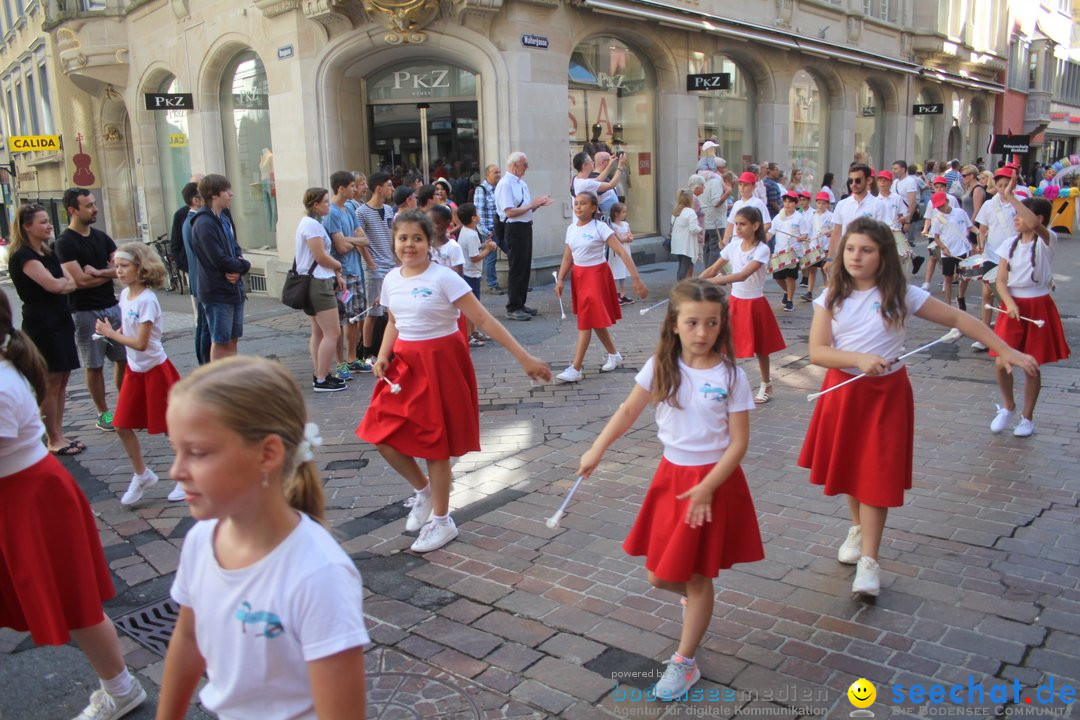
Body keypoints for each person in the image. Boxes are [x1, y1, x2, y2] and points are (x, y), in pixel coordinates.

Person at [799, 217, 1037, 596]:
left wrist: (1005, 349)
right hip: (844, 391)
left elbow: (959, 318)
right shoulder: (831, 296)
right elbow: (817, 351)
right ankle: (857, 528)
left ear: (883, 255)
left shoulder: (901, 294)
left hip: (887, 396)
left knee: (876, 473)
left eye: (866, 250)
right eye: (850, 249)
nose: (856, 257)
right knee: (850, 467)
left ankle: (870, 563)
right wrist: (859, 359)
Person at [576, 279, 763, 700]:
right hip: (671, 479)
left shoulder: (731, 376)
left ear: (721, 326)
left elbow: (739, 444)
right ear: (674, 325)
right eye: (692, 322)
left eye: (711, 323)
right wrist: (596, 448)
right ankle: (697, 602)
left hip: (713, 483)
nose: (702, 332)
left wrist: (708, 488)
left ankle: (685, 662)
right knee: (659, 575)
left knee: (696, 577)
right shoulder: (662, 364)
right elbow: (628, 411)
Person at [156, 357, 368, 718]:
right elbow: (189, 639)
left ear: (267, 453)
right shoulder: (201, 541)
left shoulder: (318, 576)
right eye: (176, 450)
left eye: (197, 453)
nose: (176, 471)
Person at [356, 210, 551, 553]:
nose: (409, 245)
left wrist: (524, 356)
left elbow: (484, 320)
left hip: (440, 365)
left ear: (429, 241)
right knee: (380, 434)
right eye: (403, 238)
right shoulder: (391, 280)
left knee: (436, 447)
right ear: (394, 242)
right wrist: (384, 353)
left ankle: (443, 522)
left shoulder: (444, 278)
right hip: (404, 367)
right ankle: (424, 490)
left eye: (417, 238)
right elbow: (393, 321)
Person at [0, 291, 147, 720]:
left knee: (77, 600)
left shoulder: (3, 383)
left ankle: (121, 688)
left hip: (31, 500)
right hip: (23, 496)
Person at [92, 243, 185, 506]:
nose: (118, 271)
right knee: (121, 423)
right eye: (117, 266)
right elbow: (130, 333)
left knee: (170, 427)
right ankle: (141, 474)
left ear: (140, 268)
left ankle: (185, 476)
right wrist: (111, 331)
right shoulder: (125, 296)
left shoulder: (147, 300)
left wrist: (111, 334)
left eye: (124, 266)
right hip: (136, 369)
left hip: (156, 369)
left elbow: (142, 343)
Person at [989, 186, 1071, 437]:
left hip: (1039, 306)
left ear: (1038, 220)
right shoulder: (1007, 244)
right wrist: (1010, 303)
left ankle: (1027, 417)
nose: (1015, 218)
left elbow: (1034, 224)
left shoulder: (1047, 241)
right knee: (1001, 362)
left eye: (1019, 214)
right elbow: (1000, 281)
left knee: (1031, 365)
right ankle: (1008, 406)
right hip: (1012, 306)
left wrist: (1011, 196)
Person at [7, 204, 82, 455]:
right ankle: (52, 438)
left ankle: (58, 433)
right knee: (50, 381)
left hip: (60, 319)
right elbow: (53, 285)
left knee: (62, 380)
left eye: (48, 221)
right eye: (43, 222)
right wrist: (64, 283)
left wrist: (64, 284)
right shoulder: (23, 256)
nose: (49, 225)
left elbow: (71, 282)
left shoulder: (47, 253)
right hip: (42, 323)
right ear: (27, 226)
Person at [554, 192, 648, 382]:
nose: (578, 207)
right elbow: (567, 257)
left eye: (583, 203)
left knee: (586, 320)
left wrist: (636, 279)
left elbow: (621, 252)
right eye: (576, 203)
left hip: (596, 276)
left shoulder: (600, 227)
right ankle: (614, 354)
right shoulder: (571, 229)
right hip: (579, 276)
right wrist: (561, 279)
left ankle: (576, 368)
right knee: (593, 320)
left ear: (594, 208)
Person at [55, 188, 126, 432]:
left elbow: (121, 269)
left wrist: (98, 272)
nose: (94, 209)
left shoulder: (102, 237)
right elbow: (80, 282)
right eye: (88, 205)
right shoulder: (64, 243)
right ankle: (103, 413)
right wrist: (107, 273)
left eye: (94, 204)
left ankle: (125, 406)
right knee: (93, 365)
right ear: (72, 210)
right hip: (85, 311)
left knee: (122, 359)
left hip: (112, 307)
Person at [701, 206, 786, 404]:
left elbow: (742, 275)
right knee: (726, 345)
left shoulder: (762, 249)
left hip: (755, 303)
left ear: (755, 225)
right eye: (736, 224)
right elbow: (713, 268)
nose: (737, 228)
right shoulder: (733, 245)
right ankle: (727, 384)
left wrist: (713, 282)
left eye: (742, 224)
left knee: (760, 347)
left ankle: (766, 384)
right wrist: (695, 282)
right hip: (735, 302)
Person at [190, 174, 250, 361]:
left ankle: (231, 379)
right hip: (217, 291)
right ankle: (219, 381)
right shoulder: (204, 223)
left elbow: (235, 248)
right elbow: (218, 259)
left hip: (232, 289)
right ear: (214, 195)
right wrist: (244, 266)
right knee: (220, 340)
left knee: (232, 338)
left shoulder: (223, 218)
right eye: (226, 191)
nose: (231, 194)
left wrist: (239, 269)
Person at [296, 187, 348, 392]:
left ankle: (321, 373)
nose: (328, 204)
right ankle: (321, 378)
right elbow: (320, 256)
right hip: (318, 283)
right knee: (332, 332)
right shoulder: (312, 225)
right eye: (325, 201)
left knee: (318, 331)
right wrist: (338, 266)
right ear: (315, 204)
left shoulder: (311, 223)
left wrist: (335, 272)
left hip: (316, 280)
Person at [495, 151, 553, 321]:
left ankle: (520, 303)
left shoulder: (522, 184)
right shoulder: (505, 184)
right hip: (513, 228)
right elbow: (510, 212)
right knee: (517, 266)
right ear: (514, 165)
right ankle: (513, 306)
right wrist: (532, 205)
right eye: (524, 164)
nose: (527, 167)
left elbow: (526, 208)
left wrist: (537, 205)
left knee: (525, 266)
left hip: (525, 226)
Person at [325, 171, 372, 379]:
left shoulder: (350, 209)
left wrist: (350, 239)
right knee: (340, 320)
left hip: (356, 271)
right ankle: (340, 362)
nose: (356, 189)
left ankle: (353, 359)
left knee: (355, 318)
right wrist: (352, 241)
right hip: (342, 274)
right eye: (352, 186)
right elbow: (341, 247)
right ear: (341, 188)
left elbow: (365, 239)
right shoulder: (332, 212)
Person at [972, 167, 1020, 346]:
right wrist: (980, 243)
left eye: (1006, 185)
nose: (1002, 188)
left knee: (1005, 293)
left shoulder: (1020, 202)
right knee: (987, 292)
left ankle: (1005, 331)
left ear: (1013, 185)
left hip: (1014, 255)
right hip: (992, 253)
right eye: (999, 185)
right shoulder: (989, 204)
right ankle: (985, 335)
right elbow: (982, 229)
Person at [355, 172, 398, 364]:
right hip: (374, 268)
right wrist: (371, 263)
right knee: (373, 312)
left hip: (390, 265)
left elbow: (391, 236)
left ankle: (389, 350)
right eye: (389, 185)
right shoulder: (361, 212)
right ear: (379, 188)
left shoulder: (389, 210)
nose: (392, 189)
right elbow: (360, 241)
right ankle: (367, 352)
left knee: (392, 310)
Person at [456, 202, 498, 346]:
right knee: (471, 307)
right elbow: (475, 257)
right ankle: (469, 334)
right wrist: (488, 250)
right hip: (471, 274)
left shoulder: (466, 231)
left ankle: (473, 331)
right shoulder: (471, 235)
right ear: (474, 218)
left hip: (470, 272)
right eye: (477, 213)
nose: (479, 215)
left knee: (474, 305)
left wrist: (484, 246)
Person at [178, 182, 210, 365]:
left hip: (199, 280)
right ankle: (205, 363)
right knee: (205, 326)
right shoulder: (193, 221)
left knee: (203, 325)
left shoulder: (192, 220)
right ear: (196, 200)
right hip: (202, 281)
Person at [928, 191, 974, 310]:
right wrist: (943, 248)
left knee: (965, 277)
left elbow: (970, 226)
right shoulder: (937, 219)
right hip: (947, 251)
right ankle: (948, 306)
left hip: (963, 249)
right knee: (947, 279)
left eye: (942, 205)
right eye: (938, 207)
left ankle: (960, 296)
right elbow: (936, 237)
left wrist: (979, 233)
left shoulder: (960, 212)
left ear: (947, 202)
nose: (941, 208)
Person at [767, 191, 803, 312]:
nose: (787, 204)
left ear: (795, 204)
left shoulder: (799, 217)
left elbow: (804, 233)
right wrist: (761, 240)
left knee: (790, 277)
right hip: (779, 252)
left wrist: (802, 237)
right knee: (778, 277)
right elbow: (770, 233)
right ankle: (787, 291)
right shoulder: (778, 217)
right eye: (785, 201)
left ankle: (790, 301)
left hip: (793, 252)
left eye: (790, 202)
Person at [473, 163, 505, 294]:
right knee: (490, 257)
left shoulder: (499, 188)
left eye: (499, 172)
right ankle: (492, 284)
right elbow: (477, 213)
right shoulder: (482, 190)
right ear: (487, 175)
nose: (498, 175)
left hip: (501, 228)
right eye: (495, 172)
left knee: (513, 253)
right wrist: (486, 232)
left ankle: (518, 283)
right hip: (490, 230)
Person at [875, 170, 914, 274]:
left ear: (890, 182)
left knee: (896, 260)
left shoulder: (897, 198)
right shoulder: (874, 201)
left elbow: (905, 214)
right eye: (880, 180)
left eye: (885, 180)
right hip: (880, 233)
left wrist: (904, 220)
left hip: (895, 232)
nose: (882, 183)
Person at [800, 191, 834, 301]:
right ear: (816, 204)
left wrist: (830, 232)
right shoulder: (813, 215)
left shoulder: (831, 216)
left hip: (825, 246)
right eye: (819, 203)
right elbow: (809, 229)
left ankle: (828, 292)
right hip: (814, 245)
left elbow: (834, 230)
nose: (821, 205)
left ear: (828, 204)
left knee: (825, 270)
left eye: (824, 203)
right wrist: (805, 237)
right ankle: (809, 292)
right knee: (812, 270)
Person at [721, 171, 770, 247]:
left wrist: (755, 237)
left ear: (753, 186)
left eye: (746, 185)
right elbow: (730, 223)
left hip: (751, 244)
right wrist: (725, 241)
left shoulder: (758, 203)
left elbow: (767, 224)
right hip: (736, 243)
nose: (742, 188)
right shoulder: (737, 204)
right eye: (740, 185)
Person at [700, 171, 731, 269]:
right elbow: (716, 202)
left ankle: (708, 272)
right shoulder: (716, 182)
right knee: (716, 248)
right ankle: (710, 274)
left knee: (707, 248)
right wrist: (728, 192)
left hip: (706, 220)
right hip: (716, 221)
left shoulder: (704, 181)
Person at [670, 188, 702, 281]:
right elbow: (693, 229)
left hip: (677, 243)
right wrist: (701, 228)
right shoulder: (690, 212)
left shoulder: (676, 211)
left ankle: (682, 286)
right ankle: (681, 288)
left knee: (681, 266)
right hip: (686, 244)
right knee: (684, 267)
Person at [608, 202, 634, 304]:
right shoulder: (612, 226)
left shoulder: (626, 224)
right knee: (616, 272)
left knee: (623, 271)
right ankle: (614, 295)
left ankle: (622, 294)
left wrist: (629, 238)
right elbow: (618, 239)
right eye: (623, 212)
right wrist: (626, 238)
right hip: (616, 252)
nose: (625, 214)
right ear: (616, 213)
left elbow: (630, 235)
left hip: (625, 250)